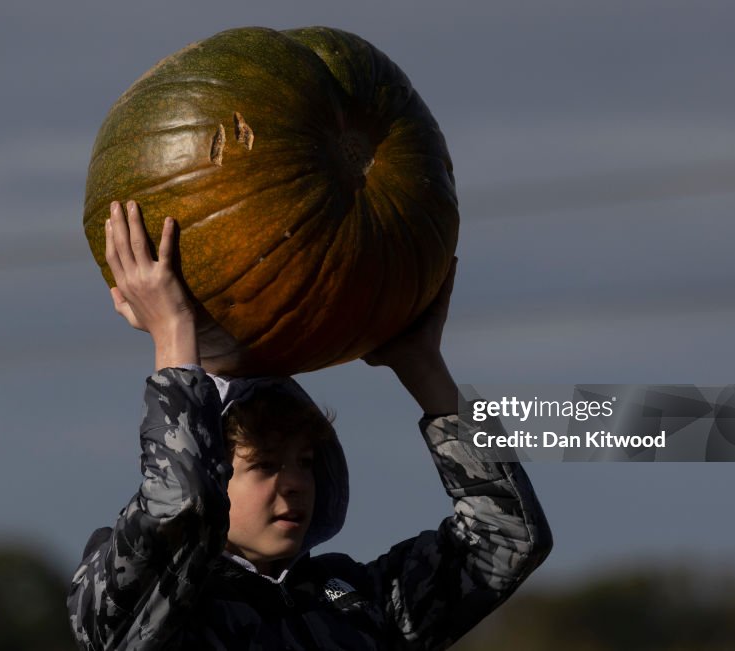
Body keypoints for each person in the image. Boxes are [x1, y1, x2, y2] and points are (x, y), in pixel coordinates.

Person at [67, 200, 553, 650]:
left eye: (303, 461)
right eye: (265, 464)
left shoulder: (364, 601)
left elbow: (508, 536)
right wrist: (174, 330)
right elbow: (180, 505)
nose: (297, 483)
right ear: (213, 470)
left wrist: (422, 366)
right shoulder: (136, 596)